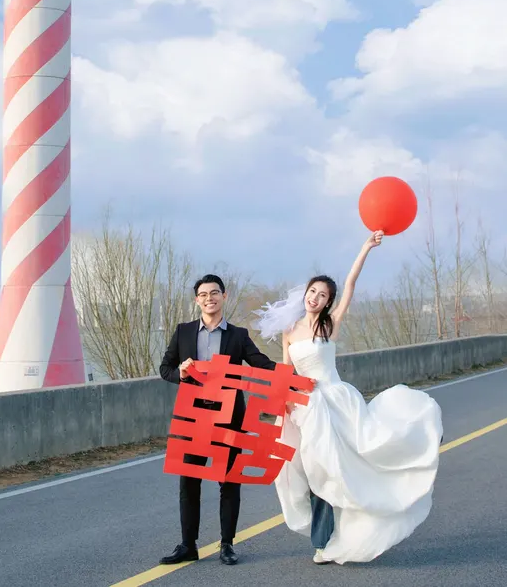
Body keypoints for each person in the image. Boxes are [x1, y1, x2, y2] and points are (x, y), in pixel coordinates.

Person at [254, 231, 443, 565]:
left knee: (338, 468)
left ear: (328, 301)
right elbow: (286, 373)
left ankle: (329, 539)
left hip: (336, 403)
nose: (315, 298)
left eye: (322, 295)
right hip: (305, 408)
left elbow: (351, 283)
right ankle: (327, 536)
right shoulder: (290, 330)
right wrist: (285, 406)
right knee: (312, 471)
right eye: (312, 291)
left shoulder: (329, 325)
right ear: (305, 293)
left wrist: (365, 248)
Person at [159, 273, 277, 567]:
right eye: (203, 294)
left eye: (214, 293)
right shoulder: (183, 331)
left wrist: (294, 375)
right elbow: (165, 368)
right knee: (189, 482)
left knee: (229, 481)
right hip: (193, 417)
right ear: (196, 300)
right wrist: (180, 373)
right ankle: (188, 545)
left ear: (224, 296)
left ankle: (227, 545)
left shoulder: (238, 335)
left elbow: (261, 363)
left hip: (229, 419)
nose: (208, 298)